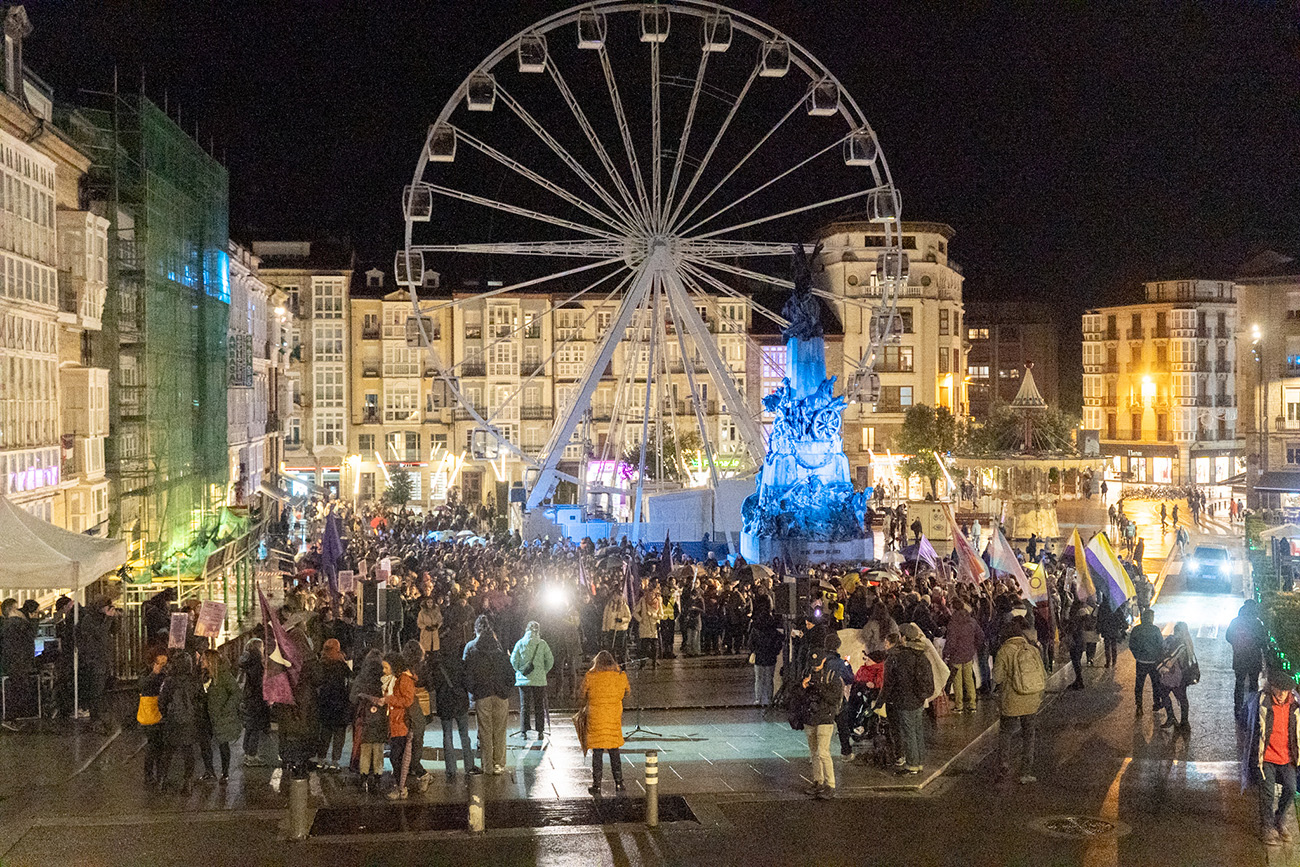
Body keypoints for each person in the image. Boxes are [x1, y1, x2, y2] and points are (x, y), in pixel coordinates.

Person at [1243, 669, 1300, 846]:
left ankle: (1279, 820)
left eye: (1286, 691)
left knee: (1290, 789)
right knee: (1267, 794)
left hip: (1287, 757)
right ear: (1272, 687)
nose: (1282, 694)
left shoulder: (1295, 706)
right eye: (1278, 689)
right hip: (1266, 758)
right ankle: (1266, 827)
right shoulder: (1261, 702)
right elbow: (1246, 718)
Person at [993, 616, 1047, 784]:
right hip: (1031, 699)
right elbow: (1043, 674)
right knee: (1029, 735)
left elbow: (997, 677)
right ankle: (1026, 772)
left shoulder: (1004, 651)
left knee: (1006, 732)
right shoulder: (1032, 649)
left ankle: (1003, 766)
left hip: (1012, 699)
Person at [463, 615, 514, 775]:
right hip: (500, 695)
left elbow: (468, 675)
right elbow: (511, 676)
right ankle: (499, 764)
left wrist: (474, 691)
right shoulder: (500, 654)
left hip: (482, 695)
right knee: (500, 731)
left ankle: (487, 765)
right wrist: (505, 689)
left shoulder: (473, 652)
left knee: (484, 732)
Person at [882, 629, 933, 775]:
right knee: (917, 730)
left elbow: (896, 680)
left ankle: (912, 765)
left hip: (905, 700)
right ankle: (919, 762)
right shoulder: (919, 653)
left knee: (909, 732)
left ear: (904, 638)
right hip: (918, 699)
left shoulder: (902, 656)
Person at [580, 650, 630, 796]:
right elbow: (627, 691)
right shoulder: (620, 675)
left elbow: (581, 693)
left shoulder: (591, 676)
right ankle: (619, 783)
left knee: (597, 751)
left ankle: (597, 785)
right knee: (614, 750)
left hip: (596, 717)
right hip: (613, 716)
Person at [800, 648, 845, 799]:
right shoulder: (807, 673)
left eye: (817, 664)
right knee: (814, 752)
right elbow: (797, 695)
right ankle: (818, 781)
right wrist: (803, 687)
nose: (815, 666)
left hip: (825, 717)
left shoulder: (832, 676)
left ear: (824, 660)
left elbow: (834, 699)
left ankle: (830, 784)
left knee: (823, 752)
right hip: (810, 717)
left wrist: (818, 687)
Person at [432, 642, 476, 781]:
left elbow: (434, 685)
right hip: (460, 702)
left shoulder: (438, 666)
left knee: (447, 736)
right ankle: (469, 766)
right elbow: (468, 683)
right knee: (464, 735)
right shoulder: (461, 664)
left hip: (445, 703)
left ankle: (451, 769)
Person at [159, 652, 200, 795]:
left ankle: (162, 780)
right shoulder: (194, 681)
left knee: (168, 752)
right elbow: (200, 700)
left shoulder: (169, 682)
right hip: (189, 721)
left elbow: (162, 702)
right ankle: (187, 782)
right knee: (188, 752)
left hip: (173, 720)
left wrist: (166, 714)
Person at [510, 620, 555, 739]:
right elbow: (550, 660)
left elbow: (513, 660)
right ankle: (540, 731)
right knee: (539, 705)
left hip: (524, 680)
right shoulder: (543, 644)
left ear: (526, 629)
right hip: (539, 680)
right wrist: (543, 671)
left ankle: (523, 731)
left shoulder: (520, 643)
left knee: (524, 705)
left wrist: (519, 670)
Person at [351, 652, 388, 794]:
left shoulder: (361, 678)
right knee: (378, 749)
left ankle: (363, 776)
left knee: (365, 749)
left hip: (365, 719)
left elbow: (353, 698)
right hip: (380, 720)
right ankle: (378, 777)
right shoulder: (383, 679)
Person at [201, 650, 241, 783]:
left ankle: (225, 773)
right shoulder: (203, 675)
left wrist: (226, 709)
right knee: (205, 744)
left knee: (223, 744)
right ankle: (209, 771)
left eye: (204, 659)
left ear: (211, 661)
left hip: (219, 716)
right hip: (206, 716)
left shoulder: (224, 676)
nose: (202, 661)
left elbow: (236, 693)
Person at [1228, 600, 1269, 723]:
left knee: (1239, 683)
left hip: (1239, 658)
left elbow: (1228, 636)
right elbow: (1263, 641)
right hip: (1253, 659)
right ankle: (1251, 708)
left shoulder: (1236, 621)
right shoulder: (1257, 623)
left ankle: (1238, 707)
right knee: (1253, 684)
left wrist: (1237, 645)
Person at [383, 653, 417, 800]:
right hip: (396, 723)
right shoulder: (398, 679)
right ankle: (401, 786)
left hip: (401, 723)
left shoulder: (403, 680)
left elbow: (407, 700)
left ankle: (401, 787)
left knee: (396, 757)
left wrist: (389, 700)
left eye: (386, 667)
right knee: (396, 757)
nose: (384, 670)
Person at [316, 638, 353, 771]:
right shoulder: (340, 664)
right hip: (340, 704)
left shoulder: (321, 663)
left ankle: (321, 759)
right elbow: (350, 678)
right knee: (338, 734)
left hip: (325, 703)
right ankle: (335, 761)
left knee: (325, 733)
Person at [401, 640, 432, 792]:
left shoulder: (403, 668)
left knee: (407, 739)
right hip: (422, 704)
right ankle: (416, 765)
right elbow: (430, 684)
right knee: (418, 739)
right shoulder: (423, 666)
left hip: (408, 707)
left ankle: (410, 766)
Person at [943, 601, 984, 713]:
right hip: (968, 654)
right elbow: (980, 635)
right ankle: (972, 704)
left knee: (957, 681)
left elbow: (951, 642)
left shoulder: (953, 623)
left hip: (956, 656)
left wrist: (946, 653)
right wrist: (973, 646)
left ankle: (959, 705)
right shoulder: (972, 621)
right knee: (969, 679)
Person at [1157, 621, 1197, 732]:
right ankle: (1184, 721)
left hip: (1173, 674)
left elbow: (1165, 653)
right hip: (1181, 676)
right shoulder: (1187, 643)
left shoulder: (1176, 642)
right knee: (1182, 698)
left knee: (1164, 694)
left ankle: (1172, 718)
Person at [137, 652, 168, 790]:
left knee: (160, 746)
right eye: (159, 663)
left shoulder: (167, 675)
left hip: (161, 713)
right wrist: (153, 674)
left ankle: (160, 774)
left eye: (164, 663)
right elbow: (142, 685)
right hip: (150, 714)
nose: (162, 666)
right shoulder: (146, 674)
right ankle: (149, 775)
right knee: (152, 745)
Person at [239, 638, 271, 766]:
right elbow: (259, 684)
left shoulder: (246, 662)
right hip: (256, 700)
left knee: (249, 727)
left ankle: (247, 753)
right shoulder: (257, 664)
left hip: (247, 699)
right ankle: (252, 755)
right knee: (255, 727)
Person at [748, 596, 784, 709]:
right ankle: (769, 699)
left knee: (758, 678)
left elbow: (750, 642)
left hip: (759, 655)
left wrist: (754, 650)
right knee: (769, 679)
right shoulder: (773, 627)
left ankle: (758, 698)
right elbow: (779, 640)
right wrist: (775, 651)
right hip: (770, 656)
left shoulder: (756, 627)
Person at [1129, 608, 1165, 717]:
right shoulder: (1155, 630)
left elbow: (1131, 645)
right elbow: (1161, 645)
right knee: (1156, 683)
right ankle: (1156, 703)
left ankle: (1139, 706)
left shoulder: (1136, 629)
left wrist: (1137, 656)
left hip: (1141, 662)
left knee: (1139, 684)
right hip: (1153, 662)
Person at [602, 592, 632, 660]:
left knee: (621, 648)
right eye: (614, 595)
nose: (615, 597)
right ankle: (613, 662)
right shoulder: (609, 605)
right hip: (611, 629)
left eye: (617, 595)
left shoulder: (624, 606)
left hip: (620, 629)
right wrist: (604, 629)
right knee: (611, 648)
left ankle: (622, 663)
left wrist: (621, 620)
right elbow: (605, 618)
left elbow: (629, 617)